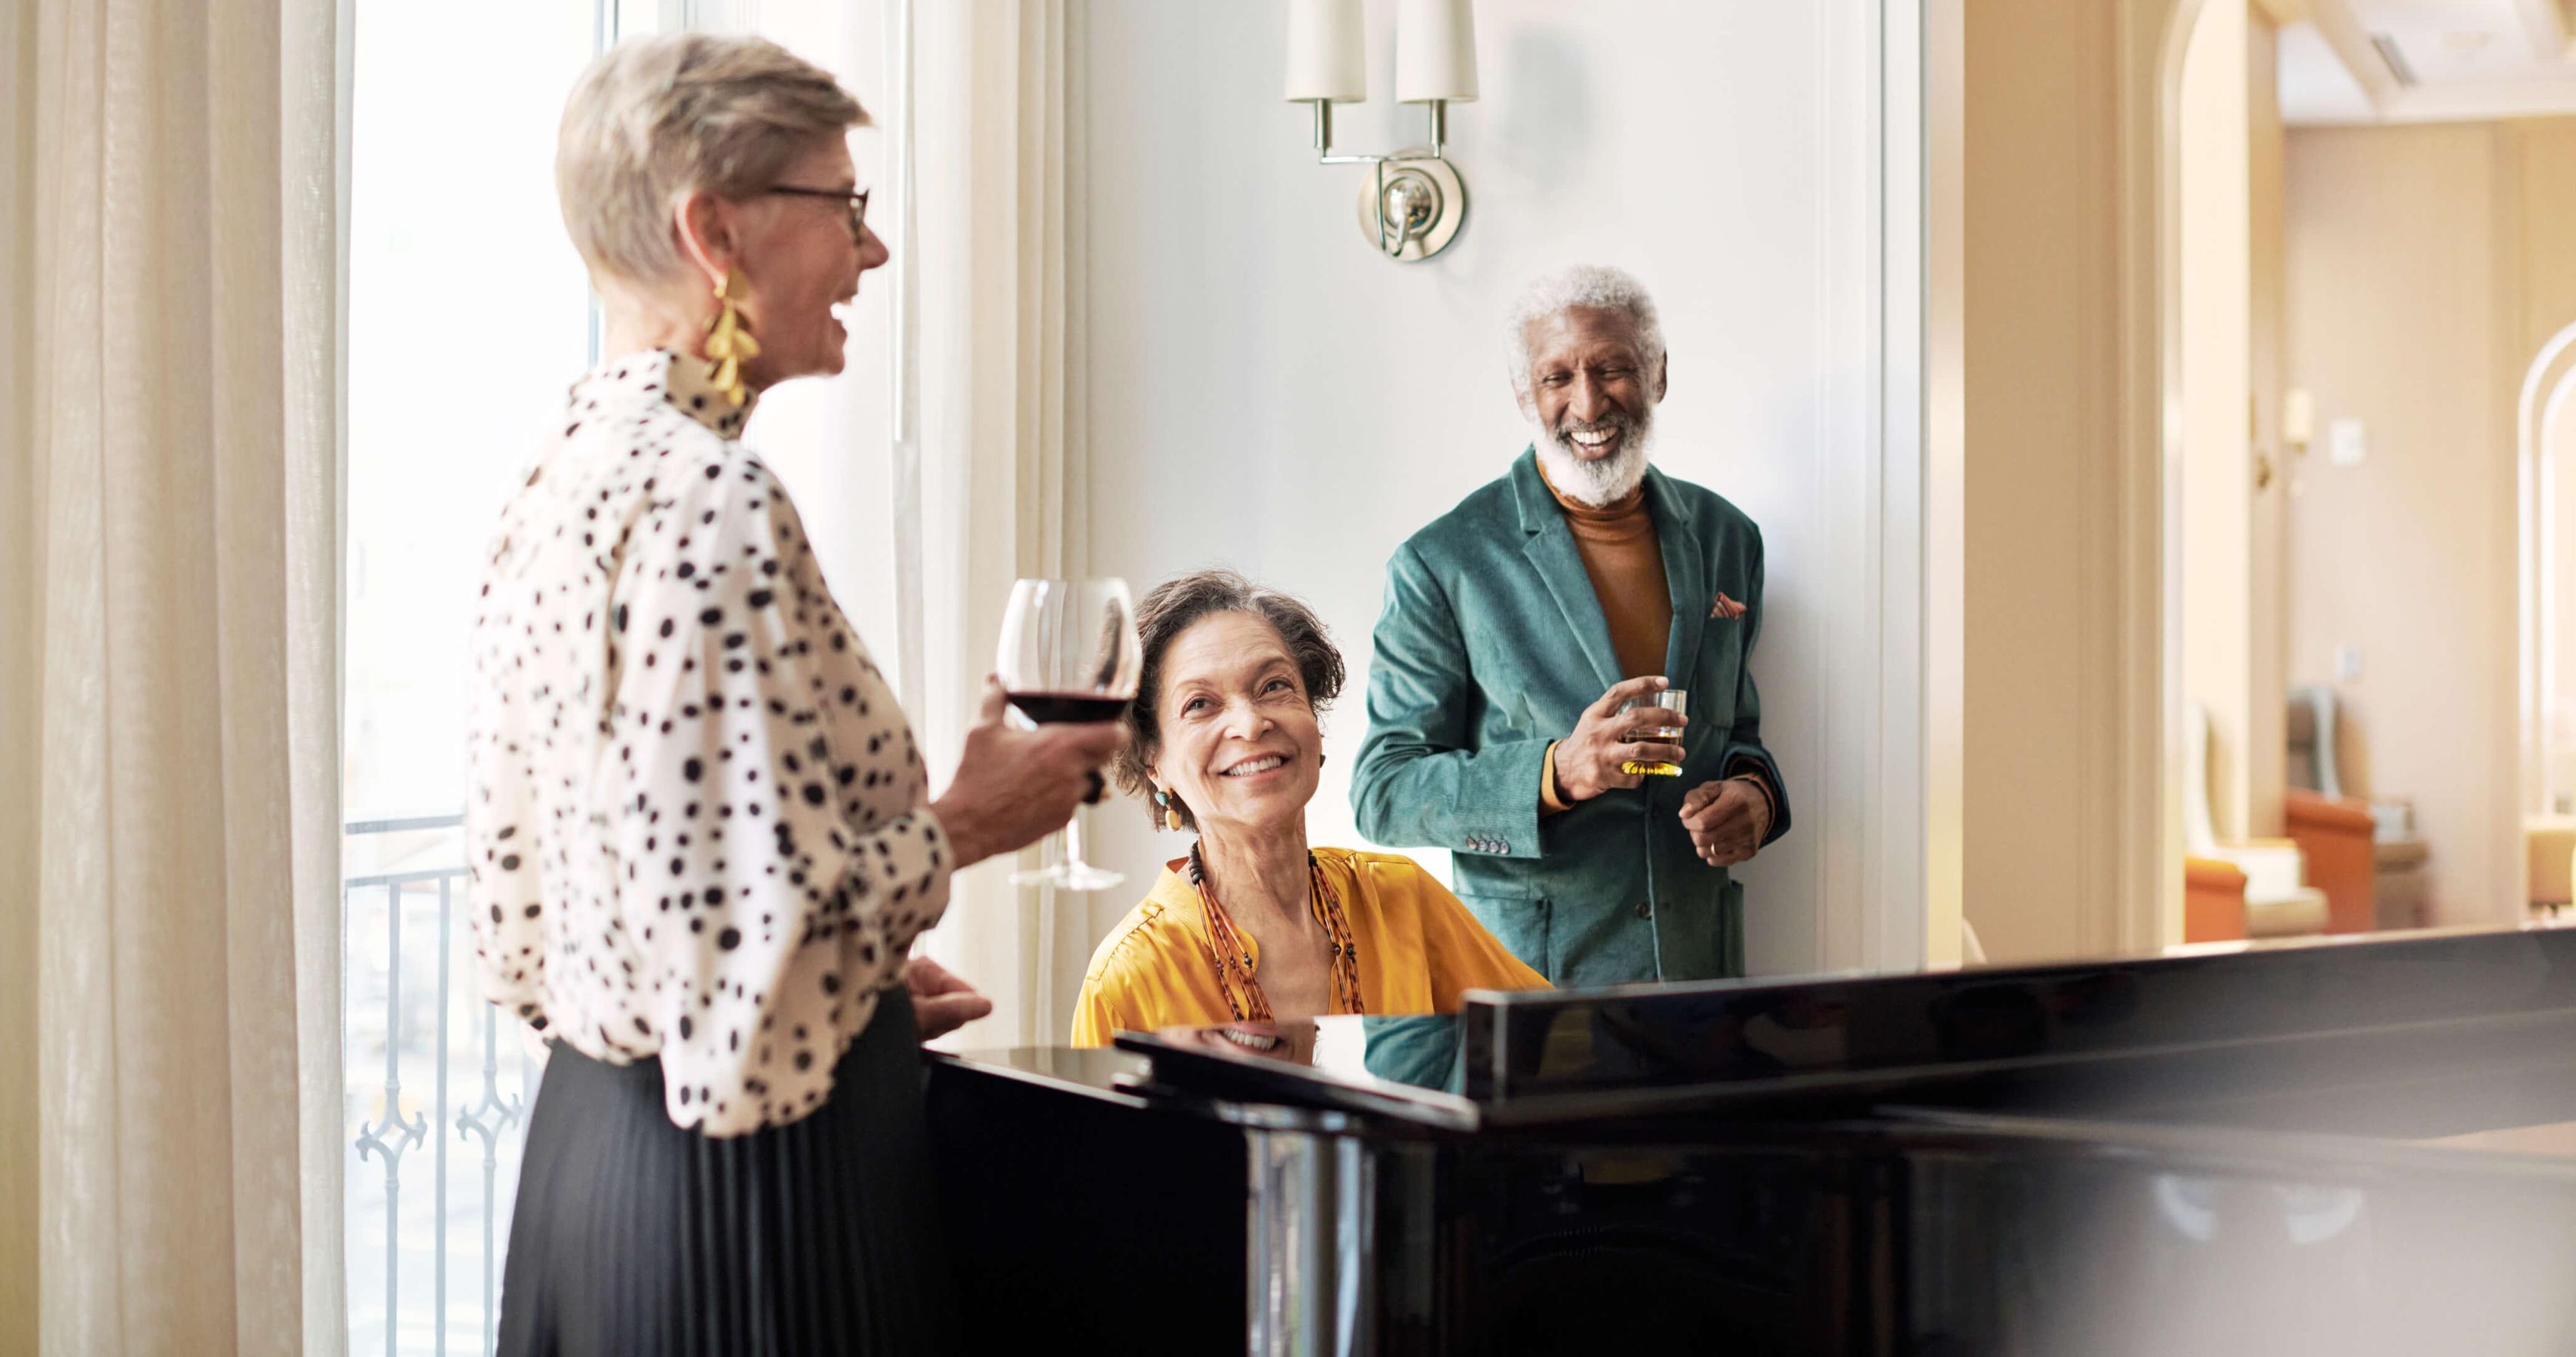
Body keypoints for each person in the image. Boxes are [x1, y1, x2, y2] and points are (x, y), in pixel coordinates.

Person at [465, 32, 1123, 1355]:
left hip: (595, 1174)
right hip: (751, 1216)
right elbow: (747, 977)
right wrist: (967, 825)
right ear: (715, 231)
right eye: (845, 206)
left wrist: (860, 978)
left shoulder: (566, 471)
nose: (871, 255)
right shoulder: (714, 501)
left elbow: (646, 911)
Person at [1351, 265, 1790, 988]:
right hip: (1535, 988)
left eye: (1612, 368)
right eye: (1558, 378)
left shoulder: (1727, 537)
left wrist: (1757, 796)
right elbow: (1382, 791)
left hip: (1700, 980)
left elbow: (1738, 729)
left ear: (1658, 374)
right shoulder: (1442, 562)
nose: (1587, 403)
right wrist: (1556, 773)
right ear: (1526, 395)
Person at [1072, 570, 1547, 1046]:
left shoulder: (1402, 899)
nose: (1251, 723)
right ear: (1153, 762)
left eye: (1274, 686)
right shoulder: (1128, 978)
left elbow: (1553, 1046)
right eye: (1200, 704)